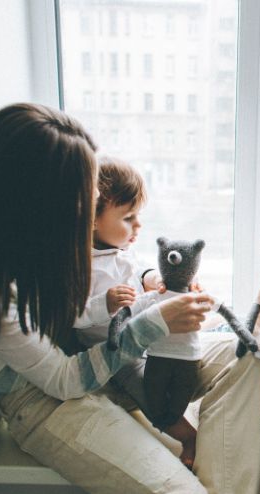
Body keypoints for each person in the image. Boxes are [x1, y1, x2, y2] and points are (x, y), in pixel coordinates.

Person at [0, 103, 260, 494]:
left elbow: (111, 278)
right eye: (87, 194)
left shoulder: (40, 237)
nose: (93, 200)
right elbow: (64, 381)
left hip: (99, 358)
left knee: (247, 354)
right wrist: (154, 323)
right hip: (43, 398)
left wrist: (157, 289)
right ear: (40, 200)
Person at [73, 156, 202, 469]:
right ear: (92, 219)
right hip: (115, 353)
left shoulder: (121, 250)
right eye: (129, 217)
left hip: (145, 336)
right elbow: (72, 316)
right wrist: (104, 304)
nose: (138, 226)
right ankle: (188, 436)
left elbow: (139, 268)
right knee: (149, 393)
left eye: (138, 216)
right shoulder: (79, 264)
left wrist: (153, 279)